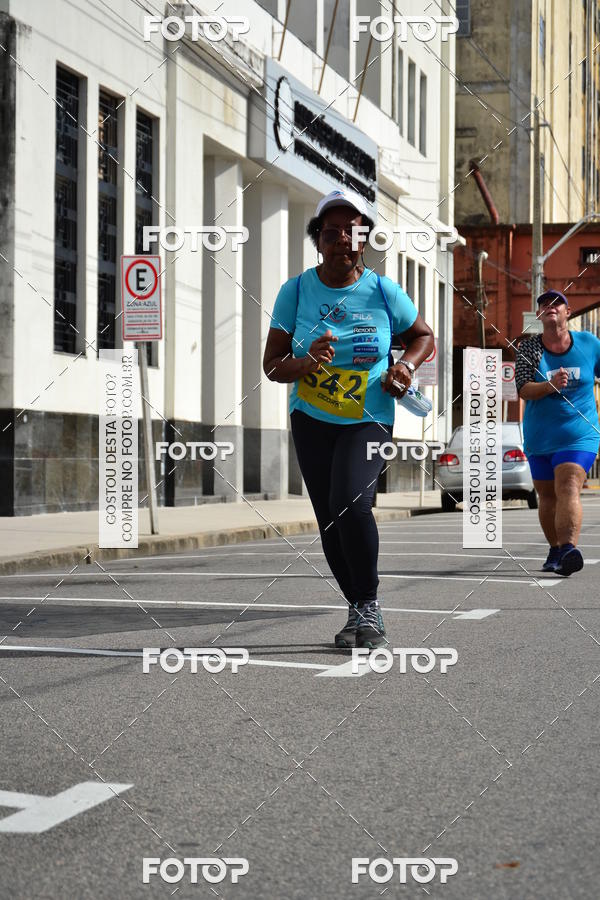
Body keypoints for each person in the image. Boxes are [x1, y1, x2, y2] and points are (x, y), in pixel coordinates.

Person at [263, 189, 434, 648]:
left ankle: (370, 605)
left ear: (364, 241)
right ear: (318, 239)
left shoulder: (383, 291)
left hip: (369, 418)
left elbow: (423, 337)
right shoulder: (296, 291)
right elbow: (272, 365)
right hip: (313, 418)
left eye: (353, 231)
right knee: (330, 519)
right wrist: (306, 363)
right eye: (332, 231)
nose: (343, 238)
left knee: (352, 501)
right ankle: (358, 608)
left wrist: (405, 366)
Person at [516, 289, 600, 576]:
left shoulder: (589, 343)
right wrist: (549, 385)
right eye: (544, 305)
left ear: (568, 311)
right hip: (540, 436)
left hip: (580, 434)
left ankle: (568, 549)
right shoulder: (529, 349)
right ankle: (555, 549)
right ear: (539, 314)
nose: (550, 307)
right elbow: (523, 389)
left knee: (568, 484)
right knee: (547, 495)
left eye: (557, 304)